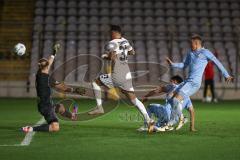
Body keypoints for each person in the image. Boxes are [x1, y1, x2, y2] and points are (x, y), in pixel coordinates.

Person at [88, 25, 154, 131]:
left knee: (95, 82)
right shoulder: (125, 41)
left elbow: (112, 57)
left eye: (110, 33)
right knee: (134, 100)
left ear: (114, 32)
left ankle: (99, 108)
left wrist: (105, 57)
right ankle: (149, 121)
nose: (110, 35)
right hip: (127, 75)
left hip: (117, 75)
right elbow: (133, 52)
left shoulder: (112, 43)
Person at [166, 34, 233, 129]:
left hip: (194, 83)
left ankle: (178, 119)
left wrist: (226, 75)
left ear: (197, 43)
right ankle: (175, 120)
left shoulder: (206, 52)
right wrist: (173, 64)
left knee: (176, 99)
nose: (190, 45)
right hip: (187, 81)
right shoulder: (190, 53)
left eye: (191, 43)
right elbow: (184, 65)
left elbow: (217, 62)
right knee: (171, 97)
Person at [21, 44, 85, 133]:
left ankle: (72, 116)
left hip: (45, 104)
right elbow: (62, 87)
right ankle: (31, 129)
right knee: (55, 127)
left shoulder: (39, 73)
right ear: (46, 67)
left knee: (61, 108)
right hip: (46, 107)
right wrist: (75, 90)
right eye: (47, 64)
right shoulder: (47, 79)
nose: (49, 64)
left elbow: (49, 62)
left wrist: (54, 52)